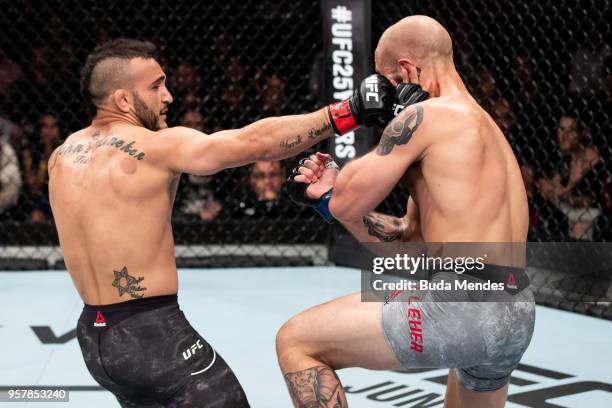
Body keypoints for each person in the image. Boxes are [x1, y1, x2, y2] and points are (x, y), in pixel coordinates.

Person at [48, 38, 401, 407]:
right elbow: (254, 143)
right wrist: (347, 112)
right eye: (155, 86)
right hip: (151, 335)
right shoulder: (159, 146)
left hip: (95, 337)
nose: (167, 97)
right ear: (122, 100)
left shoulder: (61, 156)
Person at [278, 16, 535, 408]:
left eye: (387, 82)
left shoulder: (425, 117)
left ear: (407, 70)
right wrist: (329, 202)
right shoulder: (489, 130)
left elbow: (348, 198)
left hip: (458, 309)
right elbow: (409, 248)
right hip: (515, 311)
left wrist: (333, 190)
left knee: (296, 340)